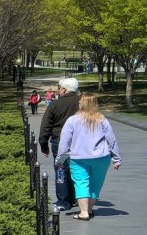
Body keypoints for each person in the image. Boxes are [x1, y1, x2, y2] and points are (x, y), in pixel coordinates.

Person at [58, 93, 121, 220]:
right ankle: (90, 209)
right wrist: (116, 158)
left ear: (82, 103)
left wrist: (60, 159)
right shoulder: (102, 119)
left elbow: (65, 142)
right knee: (95, 184)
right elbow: (111, 140)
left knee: (81, 183)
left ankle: (84, 212)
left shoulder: (72, 120)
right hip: (101, 157)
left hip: (78, 158)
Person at [39, 78, 80, 211]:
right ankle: (74, 198)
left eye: (59, 88)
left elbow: (46, 126)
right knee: (77, 168)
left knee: (61, 169)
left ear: (64, 89)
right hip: (79, 142)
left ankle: (63, 200)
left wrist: (43, 144)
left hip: (60, 141)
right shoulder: (83, 103)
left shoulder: (55, 105)